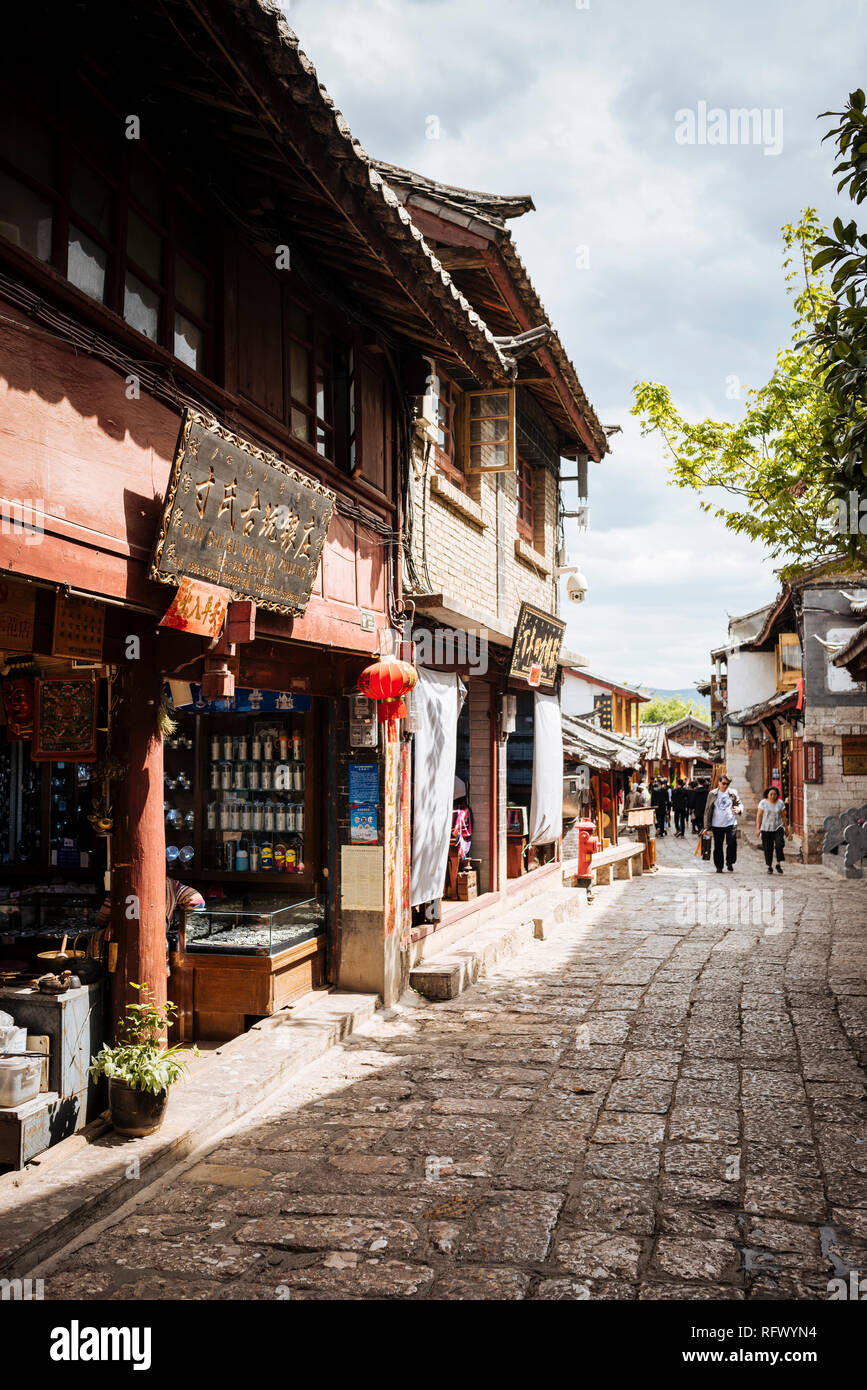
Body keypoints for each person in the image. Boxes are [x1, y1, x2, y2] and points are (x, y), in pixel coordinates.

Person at [703, 775, 744, 872]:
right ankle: (719, 866)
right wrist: (706, 827)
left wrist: (739, 809)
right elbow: (707, 810)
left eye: (727, 784)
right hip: (717, 824)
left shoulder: (732, 793)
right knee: (718, 846)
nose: (725, 786)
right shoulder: (712, 794)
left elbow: (740, 804)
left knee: (732, 843)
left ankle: (729, 862)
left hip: (731, 823)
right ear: (719, 783)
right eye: (724, 783)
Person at [756, 786, 788, 874]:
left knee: (779, 844)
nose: (773, 796)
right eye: (771, 794)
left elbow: (783, 816)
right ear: (767, 795)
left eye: (775, 794)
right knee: (768, 848)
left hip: (778, 827)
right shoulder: (763, 803)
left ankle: (778, 864)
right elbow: (759, 816)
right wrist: (758, 829)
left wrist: (786, 828)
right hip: (766, 828)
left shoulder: (780, 803)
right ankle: (769, 866)